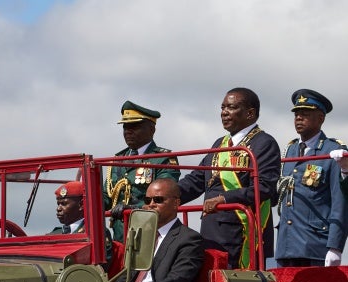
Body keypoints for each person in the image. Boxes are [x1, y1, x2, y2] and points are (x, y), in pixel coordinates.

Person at [178, 87, 281, 269]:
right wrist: (166, 195)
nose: (224, 113)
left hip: (240, 233)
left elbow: (264, 187)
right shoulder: (220, 143)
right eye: (222, 107)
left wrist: (225, 198)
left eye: (231, 108)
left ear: (250, 113)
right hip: (211, 232)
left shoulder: (264, 143)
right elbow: (196, 179)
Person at [111, 178, 204, 282]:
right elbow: (127, 273)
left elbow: (176, 281)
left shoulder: (189, 239)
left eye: (158, 200)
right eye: (148, 200)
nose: (151, 204)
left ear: (176, 203)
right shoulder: (142, 234)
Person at [276, 89, 348, 267]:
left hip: (315, 246)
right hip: (286, 245)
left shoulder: (332, 152)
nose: (299, 118)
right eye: (297, 114)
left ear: (321, 118)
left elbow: (340, 203)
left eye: (305, 114)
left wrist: (335, 246)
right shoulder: (289, 150)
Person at [104, 100, 180, 243]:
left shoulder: (163, 159)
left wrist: (133, 208)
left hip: (150, 233)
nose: (128, 131)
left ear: (152, 129)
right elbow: (107, 195)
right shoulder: (117, 160)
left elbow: (165, 196)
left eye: (134, 126)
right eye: (125, 127)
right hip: (120, 236)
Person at [51, 181, 113, 267]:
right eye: (58, 204)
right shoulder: (55, 234)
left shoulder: (96, 233)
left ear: (81, 205)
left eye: (64, 204)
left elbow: (102, 265)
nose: (58, 209)